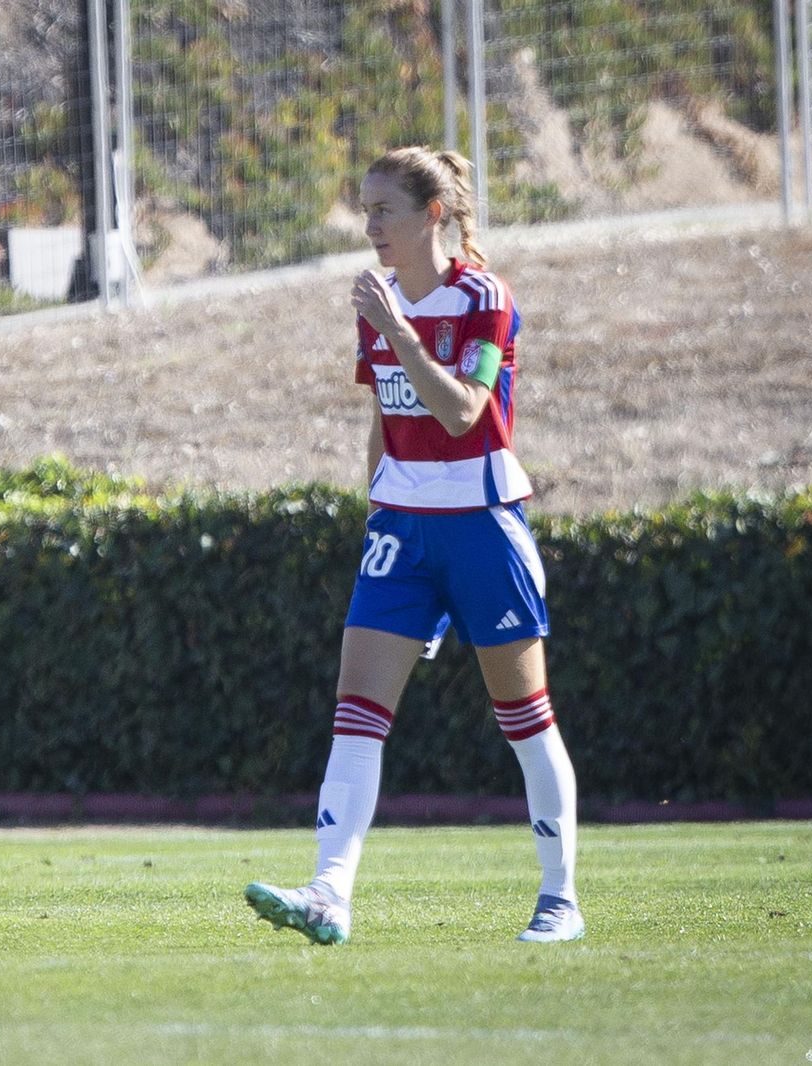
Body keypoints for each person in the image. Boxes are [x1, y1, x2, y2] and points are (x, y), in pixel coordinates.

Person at [244, 146, 583, 944]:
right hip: (399, 529)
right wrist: (375, 514)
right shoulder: (382, 301)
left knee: (525, 719)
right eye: (364, 211)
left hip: (482, 523)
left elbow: (464, 411)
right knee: (356, 714)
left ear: (434, 213)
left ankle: (560, 899)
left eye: (383, 210)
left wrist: (397, 330)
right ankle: (329, 893)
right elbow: (385, 423)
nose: (370, 227)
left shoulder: (484, 297)